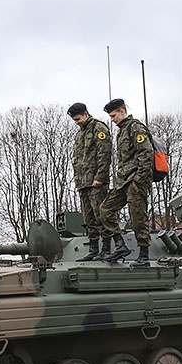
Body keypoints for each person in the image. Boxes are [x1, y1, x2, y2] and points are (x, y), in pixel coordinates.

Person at [98, 98, 154, 267]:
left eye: (114, 115)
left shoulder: (135, 127)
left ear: (122, 111)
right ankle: (120, 245)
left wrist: (140, 179)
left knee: (138, 216)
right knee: (105, 209)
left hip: (135, 180)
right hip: (123, 181)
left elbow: (146, 154)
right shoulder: (121, 131)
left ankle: (144, 255)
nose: (112, 119)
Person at [67, 102, 112, 261]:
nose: (77, 122)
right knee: (89, 218)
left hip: (96, 182)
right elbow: (78, 159)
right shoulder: (79, 134)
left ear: (86, 114)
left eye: (78, 118)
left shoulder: (98, 128)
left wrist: (100, 177)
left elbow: (104, 154)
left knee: (101, 216)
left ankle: (106, 249)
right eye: (75, 120)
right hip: (83, 182)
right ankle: (93, 249)